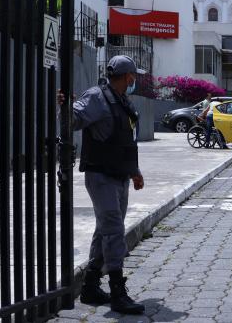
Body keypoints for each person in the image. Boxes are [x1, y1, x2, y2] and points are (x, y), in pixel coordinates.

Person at [58, 55, 145, 314]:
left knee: (105, 230)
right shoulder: (97, 97)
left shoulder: (121, 99)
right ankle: (118, 292)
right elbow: (73, 121)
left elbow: (126, 140)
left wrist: (135, 171)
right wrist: (66, 107)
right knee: (114, 230)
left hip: (120, 175)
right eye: (133, 76)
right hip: (101, 176)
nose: (134, 80)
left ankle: (91, 285)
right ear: (128, 76)